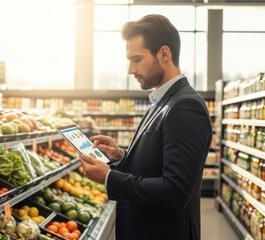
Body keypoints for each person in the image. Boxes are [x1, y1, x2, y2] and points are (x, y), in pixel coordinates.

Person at [79, 14, 212, 240]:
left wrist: (110, 178)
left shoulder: (185, 106)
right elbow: (157, 164)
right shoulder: (162, 101)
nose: (130, 70)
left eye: (137, 59)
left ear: (164, 54)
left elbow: (176, 191)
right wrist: (121, 157)